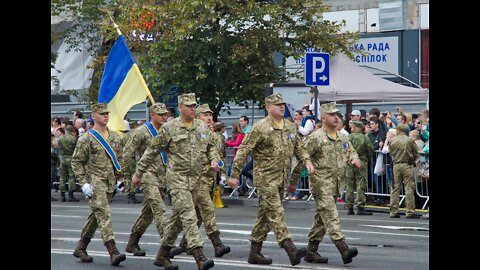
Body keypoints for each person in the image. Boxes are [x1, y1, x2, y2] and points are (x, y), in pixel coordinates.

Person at [133, 93, 219, 270]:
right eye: (189, 106)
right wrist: (139, 172)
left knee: (177, 221)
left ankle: (162, 256)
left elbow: (211, 147)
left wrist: (214, 159)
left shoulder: (202, 127)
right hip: (177, 180)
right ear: (180, 107)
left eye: (195, 105)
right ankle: (199, 256)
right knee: (189, 216)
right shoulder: (169, 128)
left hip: (196, 181)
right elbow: (152, 151)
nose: (193, 108)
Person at [228, 93, 314, 266]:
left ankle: (254, 253)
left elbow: (300, 148)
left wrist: (307, 161)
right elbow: (244, 150)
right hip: (265, 178)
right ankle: (291, 248)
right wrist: (234, 174)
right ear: (268, 108)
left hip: (281, 177)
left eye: (283, 104)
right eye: (277, 104)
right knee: (276, 212)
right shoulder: (260, 127)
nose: (281, 107)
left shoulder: (289, 126)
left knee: (265, 217)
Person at [292, 101, 360, 265]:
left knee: (321, 220)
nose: (336, 118)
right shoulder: (316, 137)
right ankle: (344, 248)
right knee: (331, 215)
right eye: (332, 115)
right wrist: (293, 181)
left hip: (337, 184)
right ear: (323, 117)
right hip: (321, 183)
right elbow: (303, 157)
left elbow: (351, 151)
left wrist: (355, 159)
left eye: (337, 115)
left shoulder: (343, 136)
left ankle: (311, 251)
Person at [169, 103, 230, 259]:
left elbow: (219, 156)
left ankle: (182, 245)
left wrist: (222, 175)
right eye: (205, 115)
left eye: (210, 115)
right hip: (196, 178)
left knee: (196, 215)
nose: (209, 118)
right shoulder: (192, 133)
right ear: (197, 117)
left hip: (210, 179)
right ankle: (217, 245)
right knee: (204, 212)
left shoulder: (217, 136)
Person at [71, 103, 126, 266]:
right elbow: (76, 161)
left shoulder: (115, 137)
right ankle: (113, 251)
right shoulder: (87, 138)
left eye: (107, 113)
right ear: (94, 115)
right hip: (95, 182)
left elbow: (119, 159)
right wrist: (83, 183)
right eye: (102, 114)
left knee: (96, 217)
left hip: (109, 182)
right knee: (104, 214)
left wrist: (121, 179)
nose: (106, 116)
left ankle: (80, 247)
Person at [120, 103, 169, 256]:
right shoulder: (141, 131)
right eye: (160, 114)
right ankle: (168, 244)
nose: (164, 116)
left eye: (165, 114)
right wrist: (125, 177)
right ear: (152, 115)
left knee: (148, 214)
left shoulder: (166, 131)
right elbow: (127, 153)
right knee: (160, 209)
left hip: (162, 176)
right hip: (146, 176)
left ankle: (132, 242)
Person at [388, 124, 420, 219]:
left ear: (398, 130)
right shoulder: (409, 140)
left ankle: (394, 211)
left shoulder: (392, 140)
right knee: (409, 187)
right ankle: (410, 211)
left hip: (396, 165)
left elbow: (390, 152)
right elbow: (416, 152)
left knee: (395, 188)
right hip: (407, 165)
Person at [345, 121, 374, 215]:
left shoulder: (348, 137)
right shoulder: (364, 138)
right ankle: (360, 206)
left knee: (349, 185)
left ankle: (349, 207)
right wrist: (366, 158)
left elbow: (344, 149)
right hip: (361, 162)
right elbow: (370, 149)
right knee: (360, 184)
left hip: (350, 163)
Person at [57, 125, 79, 202]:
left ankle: (62, 195)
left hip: (63, 159)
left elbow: (58, 146)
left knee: (62, 177)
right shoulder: (74, 139)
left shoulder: (60, 139)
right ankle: (70, 195)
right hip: (71, 158)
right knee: (71, 176)